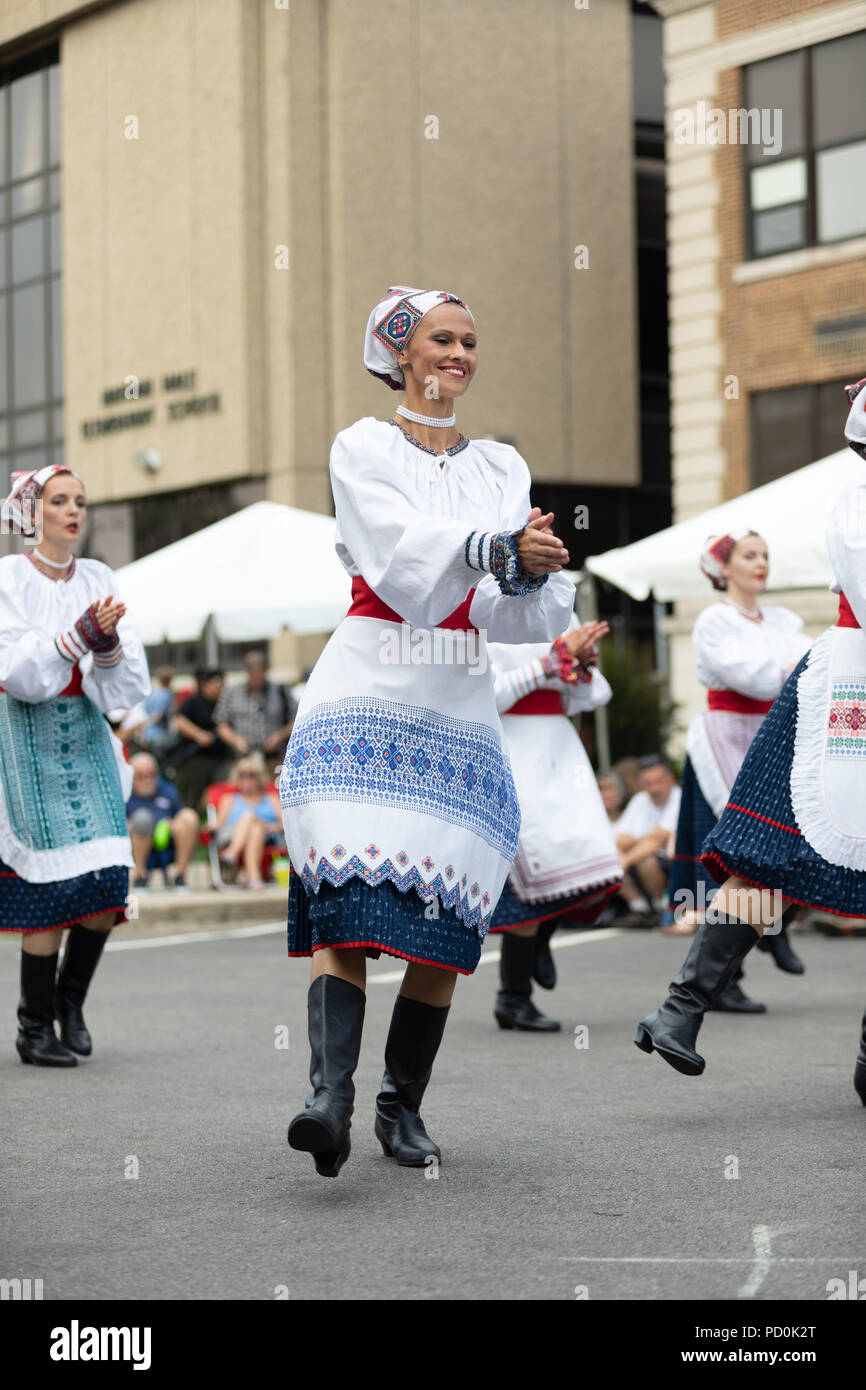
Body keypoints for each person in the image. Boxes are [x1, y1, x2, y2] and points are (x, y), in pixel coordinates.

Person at [280, 284, 575, 1177]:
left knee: (445, 901)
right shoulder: (362, 447)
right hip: (372, 668)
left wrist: (528, 575)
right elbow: (402, 561)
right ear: (401, 355)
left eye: (470, 342)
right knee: (348, 883)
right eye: (442, 339)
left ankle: (399, 1106)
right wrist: (495, 549)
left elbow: (516, 615)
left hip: (457, 687)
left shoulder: (502, 466)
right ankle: (327, 1099)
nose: (458, 354)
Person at [635, 377, 866, 1098]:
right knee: (768, 852)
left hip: (827, 689)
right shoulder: (857, 501)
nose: (758, 566)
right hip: (841, 693)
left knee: (772, 856)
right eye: (748, 557)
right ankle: (681, 1007)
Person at [0, 466, 149, 1065]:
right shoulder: (8, 577)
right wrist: (75, 637)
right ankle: (34, 1029)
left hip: (84, 728)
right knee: (48, 887)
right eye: (60, 501)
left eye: (81, 502)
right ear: (34, 513)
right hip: (25, 735)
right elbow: (17, 672)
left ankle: (69, 1003)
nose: (74, 511)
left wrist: (106, 646)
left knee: (109, 875)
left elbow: (123, 684)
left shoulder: (98, 576)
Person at [663, 532, 812, 1015]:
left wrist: (793, 668)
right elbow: (748, 674)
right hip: (727, 736)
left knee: (787, 837)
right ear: (724, 567)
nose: (760, 563)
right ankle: (727, 978)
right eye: (749, 555)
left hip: (775, 733)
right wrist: (790, 667)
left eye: (765, 555)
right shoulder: (714, 619)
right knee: (735, 849)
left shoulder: (785, 620)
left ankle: (774, 929)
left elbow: (807, 666)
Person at [485, 615, 623, 1030]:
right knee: (538, 864)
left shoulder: (561, 612)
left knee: (588, 855)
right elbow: (486, 695)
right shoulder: (487, 614)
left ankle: (542, 939)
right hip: (513, 745)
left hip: (560, 749)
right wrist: (548, 664)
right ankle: (513, 998)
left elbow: (594, 695)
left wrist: (580, 667)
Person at [614, 755, 681, 925]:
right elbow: (620, 839)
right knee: (614, 858)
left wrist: (626, 860)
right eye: (648, 783)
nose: (654, 788)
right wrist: (646, 837)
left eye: (658, 781)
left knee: (646, 861)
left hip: (671, 862)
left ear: (670, 779)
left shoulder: (679, 797)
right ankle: (640, 908)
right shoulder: (639, 800)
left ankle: (662, 908)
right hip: (641, 858)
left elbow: (659, 841)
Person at [126, 752, 200, 890]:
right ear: (132, 777)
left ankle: (180, 876)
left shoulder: (167, 789)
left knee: (190, 816)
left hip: (168, 840)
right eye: (141, 776)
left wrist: (171, 824)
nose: (147, 779)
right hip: (137, 840)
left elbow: (181, 815)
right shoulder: (125, 793)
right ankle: (140, 876)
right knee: (142, 819)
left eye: (152, 774)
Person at [214, 652, 297, 775]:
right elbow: (221, 725)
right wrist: (236, 740)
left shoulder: (281, 691)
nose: (256, 678)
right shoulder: (231, 692)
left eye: (259, 673)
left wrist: (280, 736)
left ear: (266, 670)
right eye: (252, 673)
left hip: (274, 758)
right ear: (246, 671)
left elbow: (296, 721)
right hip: (243, 759)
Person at [166, 668, 231, 815]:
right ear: (205, 685)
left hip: (220, 756)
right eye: (215, 683)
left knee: (220, 791)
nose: (219, 687)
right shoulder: (194, 701)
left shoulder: (224, 701)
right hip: (197, 757)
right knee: (191, 796)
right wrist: (199, 735)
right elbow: (179, 720)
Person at [213, 754, 283, 890]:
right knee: (253, 822)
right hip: (232, 835)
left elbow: (285, 824)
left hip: (268, 836)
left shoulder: (272, 799)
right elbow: (219, 824)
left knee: (254, 823)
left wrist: (269, 826)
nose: (247, 779)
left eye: (252, 775)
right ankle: (254, 877)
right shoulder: (229, 799)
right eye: (242, 775)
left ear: (260, 777)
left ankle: (232, 854)